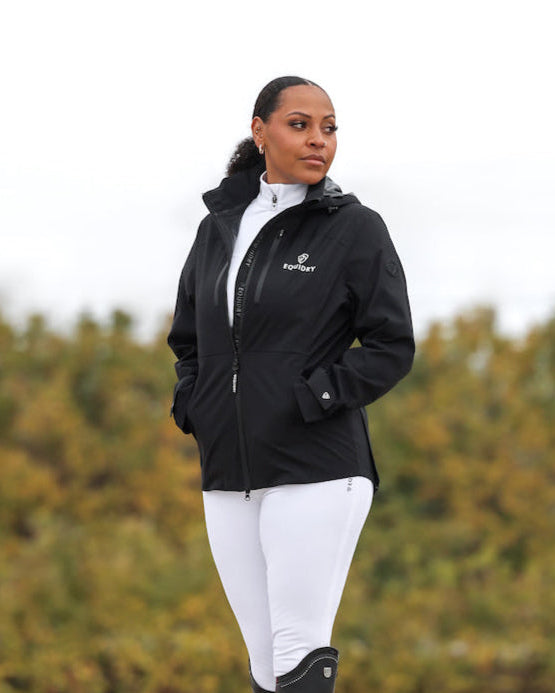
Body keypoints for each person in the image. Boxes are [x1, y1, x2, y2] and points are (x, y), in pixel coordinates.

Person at [168, 76, 414, 693]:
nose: (317, 140)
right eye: (299, 125)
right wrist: (193, 403)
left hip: (318, 465)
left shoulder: (354, 228)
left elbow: (391, 345)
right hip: (228, 469)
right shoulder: (217, 229)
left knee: (297, 651)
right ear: (261, 132)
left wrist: (313, 397)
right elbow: (188, 339)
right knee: (263, 663)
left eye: (328, 128)